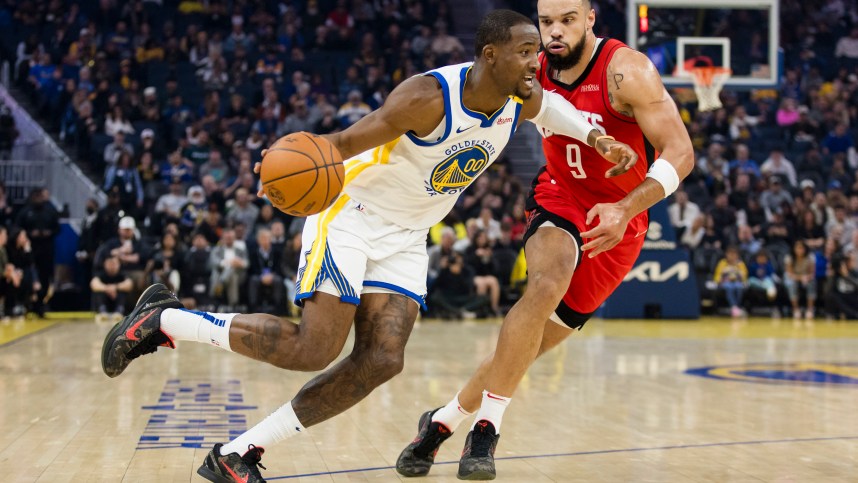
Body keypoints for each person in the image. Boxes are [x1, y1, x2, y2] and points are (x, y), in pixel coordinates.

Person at [101, 10, 638, 483]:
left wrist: (598, 137)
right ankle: (166, 321)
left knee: (382, 359)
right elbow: (342, 143)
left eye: (535, 52)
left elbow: (553, 112)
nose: (535, 60)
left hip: (406, 234)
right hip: (351, 216)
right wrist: (283, 160)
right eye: (525, 51)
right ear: (489, 55)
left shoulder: (520, 96)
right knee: (314, 347)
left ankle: (239, 453)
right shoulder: (427, 99)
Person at [395, 0, 693, 479]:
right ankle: (487, 429)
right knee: (546, 283)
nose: (554, 32)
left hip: (621, 221)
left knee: (523, 349)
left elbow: (680, 152)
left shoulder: (628, 71)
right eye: (546, 21)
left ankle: (442, 421)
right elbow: (462, 91)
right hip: (559, 195)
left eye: (566, 21)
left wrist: (624, 208)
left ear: (590, 19)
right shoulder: (527, 68)